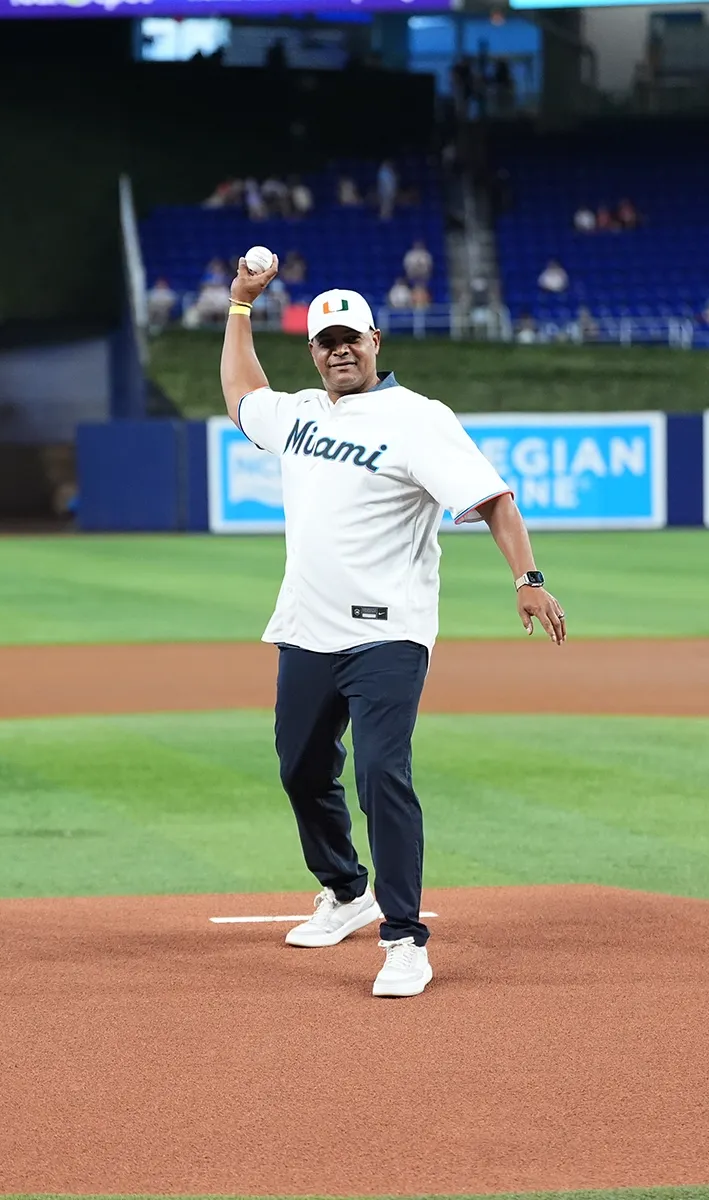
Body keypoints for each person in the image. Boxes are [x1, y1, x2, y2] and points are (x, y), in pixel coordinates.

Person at [220, 255, 566, 999]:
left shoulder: (419, 419)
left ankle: (405, 939)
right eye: (325, 341)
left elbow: (494, 499)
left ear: (376, 341)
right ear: (312, 352)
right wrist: (241, 309)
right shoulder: (302, 416)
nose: (340, 349)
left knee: (380, 774)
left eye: (352, 337)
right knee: (300, 768)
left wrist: (527, 578)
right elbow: (243, 393)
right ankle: (346, 892)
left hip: (388, 634)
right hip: (306, 629)